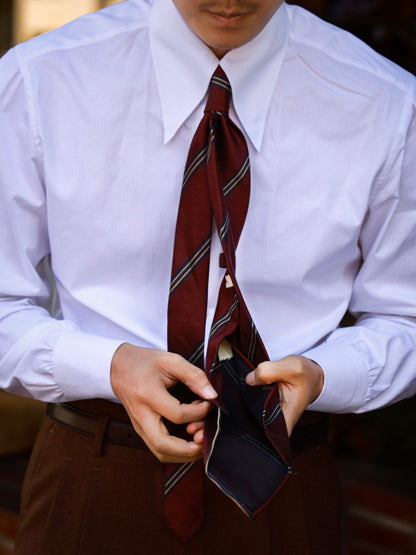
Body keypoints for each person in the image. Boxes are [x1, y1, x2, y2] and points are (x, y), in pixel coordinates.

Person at [0, 0, 415, 553]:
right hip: (91, 477)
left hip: (286, 488)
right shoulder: (39, 79)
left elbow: (407, 316)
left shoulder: (386, 100)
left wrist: (324, 373)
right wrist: (109, 366)